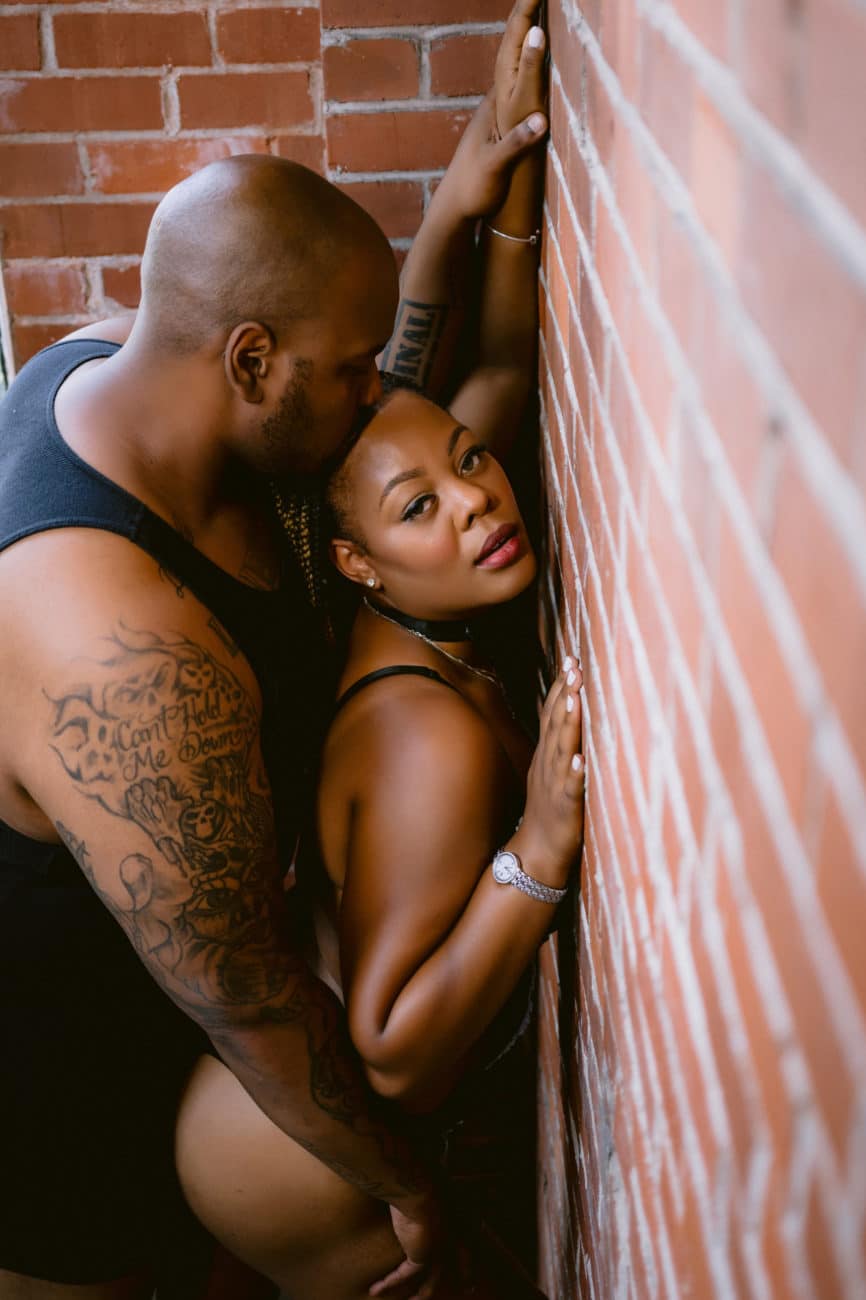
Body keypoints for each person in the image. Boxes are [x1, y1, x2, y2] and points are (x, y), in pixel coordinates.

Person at [0, 8, 550, 1295]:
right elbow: (249, 1003)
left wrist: (466, 202)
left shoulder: (130, 368)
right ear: (249, 360)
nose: (380, 388)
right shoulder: (112, 644)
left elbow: (355, 425)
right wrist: (414, 1195)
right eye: (354, 368)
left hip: (204, 1036)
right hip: (65, 1107)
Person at [173, 7, 584, 1298]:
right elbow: (395, 1054)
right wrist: (541, 850)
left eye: (469, 468)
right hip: (294, 1155)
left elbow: (501, 373)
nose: (474, 501)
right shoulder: (430, 732)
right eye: (419, 507)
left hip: (275, 1111)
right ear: (358, 557)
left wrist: (489, 190)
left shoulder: (400, 586)